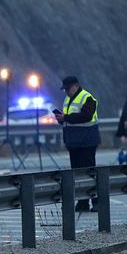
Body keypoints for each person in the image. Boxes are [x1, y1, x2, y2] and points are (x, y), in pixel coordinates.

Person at [51, 75, 100, 211]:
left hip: (87, 141)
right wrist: (62, 119)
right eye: (65, 89)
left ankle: (96, 201)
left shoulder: (87, 98)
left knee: (89, 172)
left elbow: (86, 116)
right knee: (77, 174)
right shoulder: (68, 99)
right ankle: (83, 202)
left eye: (68, 89)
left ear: (76, 86)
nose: (67, 92)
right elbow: (70, 118)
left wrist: (66, 117)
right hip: (74, 142)